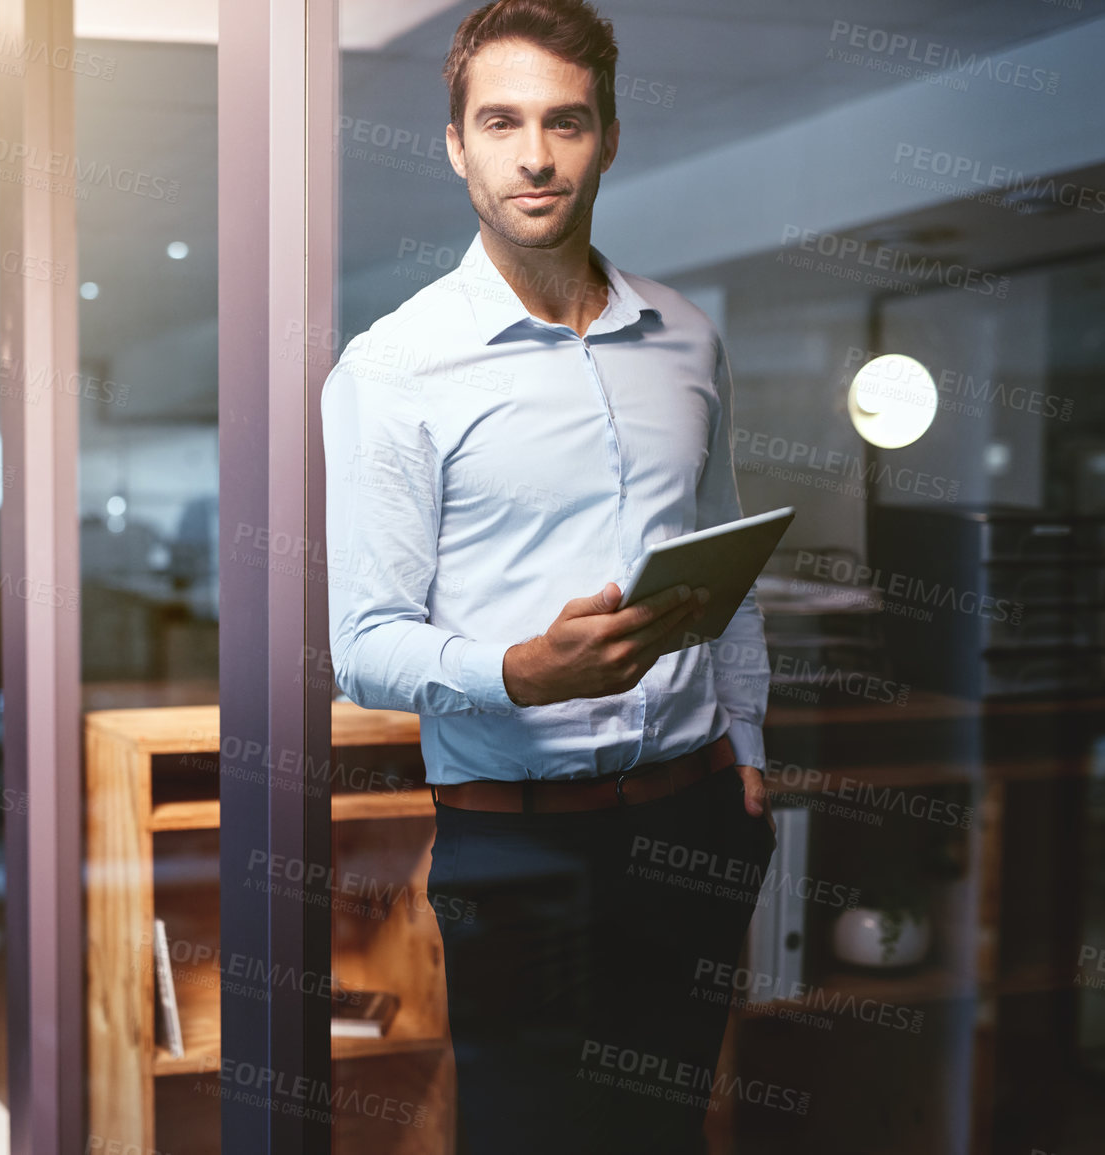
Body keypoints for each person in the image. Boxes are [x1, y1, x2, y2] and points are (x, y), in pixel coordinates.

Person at [322, 1, 777, 1150]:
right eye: (502, 122)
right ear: (456, 144)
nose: (535, 155)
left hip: (693, 819)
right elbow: (365, 643)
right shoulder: (393, 367)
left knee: (667, 1130)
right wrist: (521, 672)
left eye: (566, 122)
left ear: (608, 137)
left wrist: (750, 757)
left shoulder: (687, 337)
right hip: (515, 843)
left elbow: (729, 559)